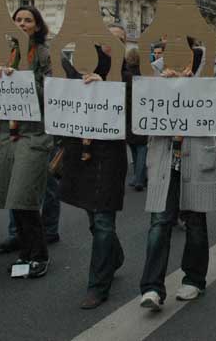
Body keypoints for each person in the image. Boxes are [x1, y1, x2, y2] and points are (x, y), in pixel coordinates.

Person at [139, 48, 216, 311]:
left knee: (195, 221)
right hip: (165, 157)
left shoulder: (210, 67)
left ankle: (194, 279)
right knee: (159, 223)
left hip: (197, 155)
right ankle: (152, 287)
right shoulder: (155, 68)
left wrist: (192, 85)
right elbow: (142, 108)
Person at [59, 39, 129, 310]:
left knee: (102, 219)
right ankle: (115, 254)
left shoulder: (125, 77)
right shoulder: (70, 75)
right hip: (80, 152)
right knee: (93, 214)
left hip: (109, 156)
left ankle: (98, 285)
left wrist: (108, 90)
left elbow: (138, 112)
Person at [0, 6, 53, 279]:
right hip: (5, 132)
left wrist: (23, 82)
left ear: (37, 26)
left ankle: (39, 255)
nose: (22, 24)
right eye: (18, 20)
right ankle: (24, 252)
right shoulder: (1, 53)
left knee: (25, 197)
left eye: (28, 20)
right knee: (12, 197)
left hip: (33, 133)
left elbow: (50, 91)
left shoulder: (45, 55)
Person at [124, 47, 147, 192]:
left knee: (133, 146)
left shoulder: (124, 74)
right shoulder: (145, 74)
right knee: (142, 148)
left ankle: (137, 178)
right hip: (142, 115)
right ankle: (140, 178)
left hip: (127, 116)